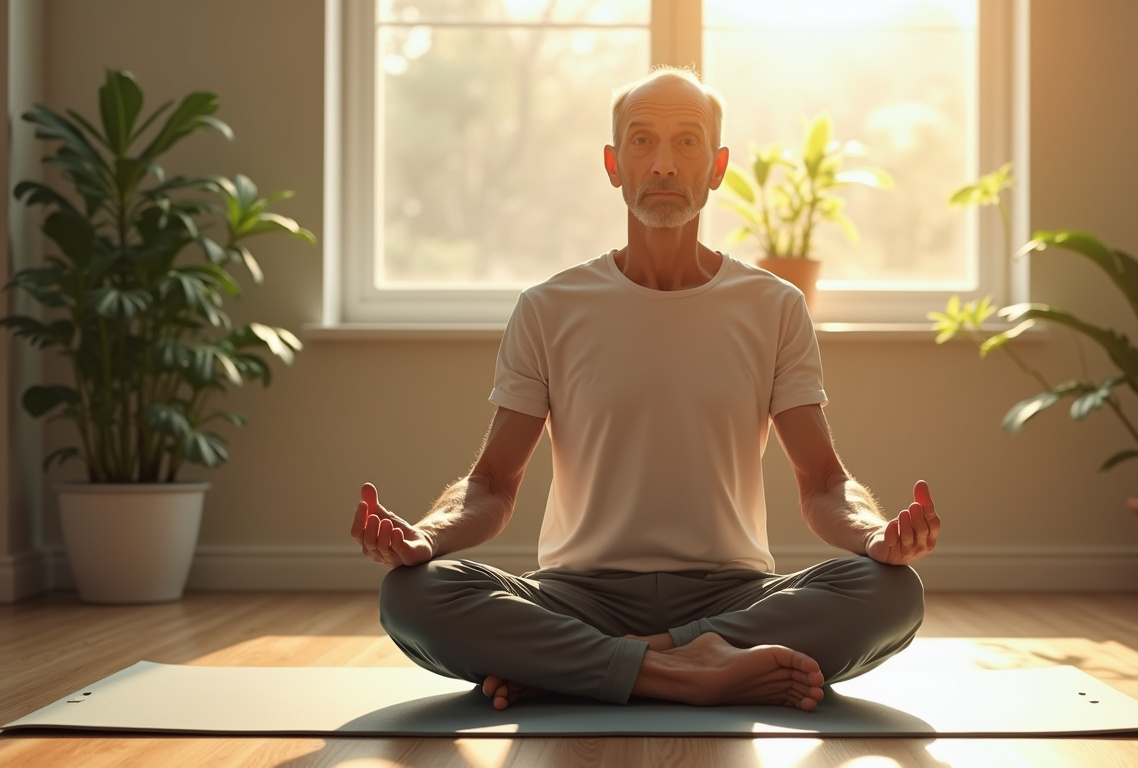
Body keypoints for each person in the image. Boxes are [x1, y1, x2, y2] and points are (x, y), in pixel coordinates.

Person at [351, 66, 940, 713]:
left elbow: (825, 483)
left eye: (686, 143)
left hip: (731, 595)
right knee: (410, 595)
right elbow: (491, 485)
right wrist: (426, 538)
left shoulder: (774, 306)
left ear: (716, 167)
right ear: (613, 164)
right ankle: (690, 670)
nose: (663, 163)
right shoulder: (549, 307)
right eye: (641, 142)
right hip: (577, 593)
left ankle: (590, 665)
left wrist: (875, 534)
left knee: (892, 592)